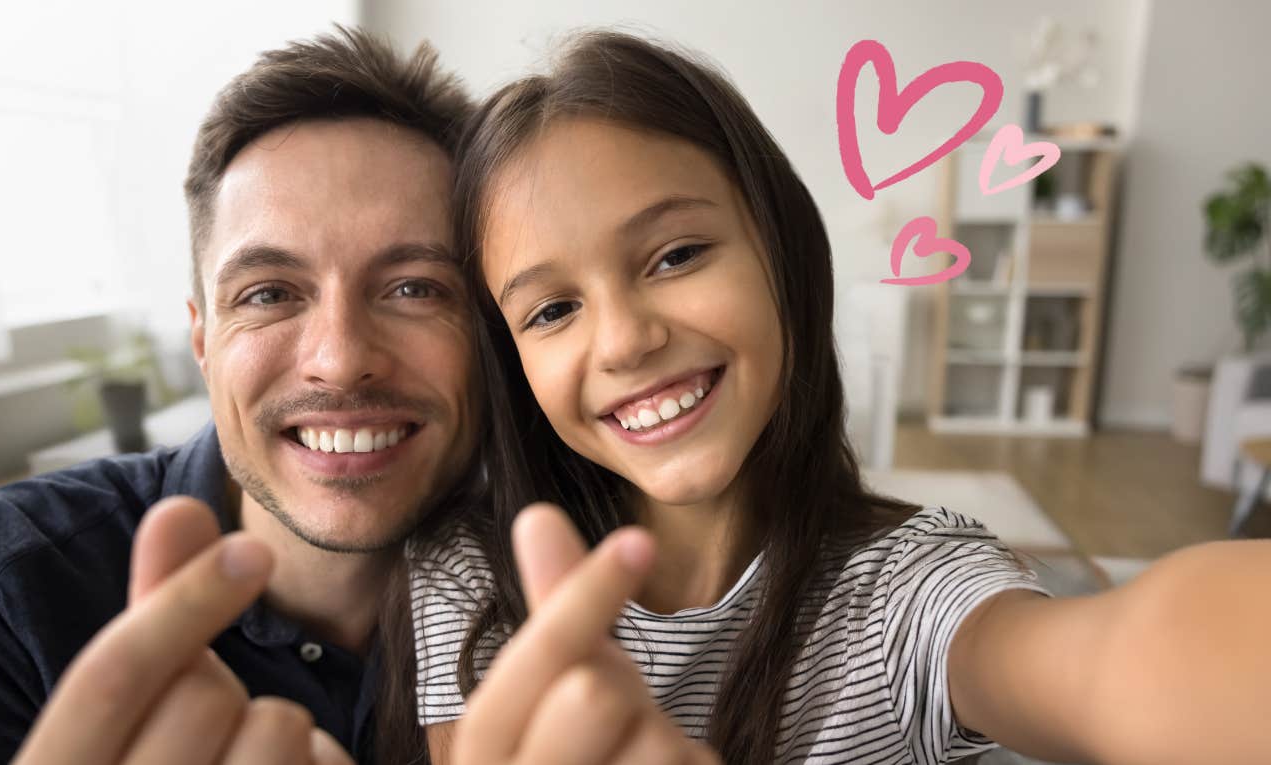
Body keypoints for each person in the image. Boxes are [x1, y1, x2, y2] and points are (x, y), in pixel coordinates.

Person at [409, 30, 1271, 765]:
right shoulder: (467, 572)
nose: (626, 338)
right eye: (553, 309)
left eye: (675, 256)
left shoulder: (908, 591)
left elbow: (1116, 657)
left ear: (779, 252)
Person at [0, 24, 717, 765]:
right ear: (202, 338)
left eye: (413, 287)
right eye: (268, 293)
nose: (340, 360)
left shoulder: (609, 592)